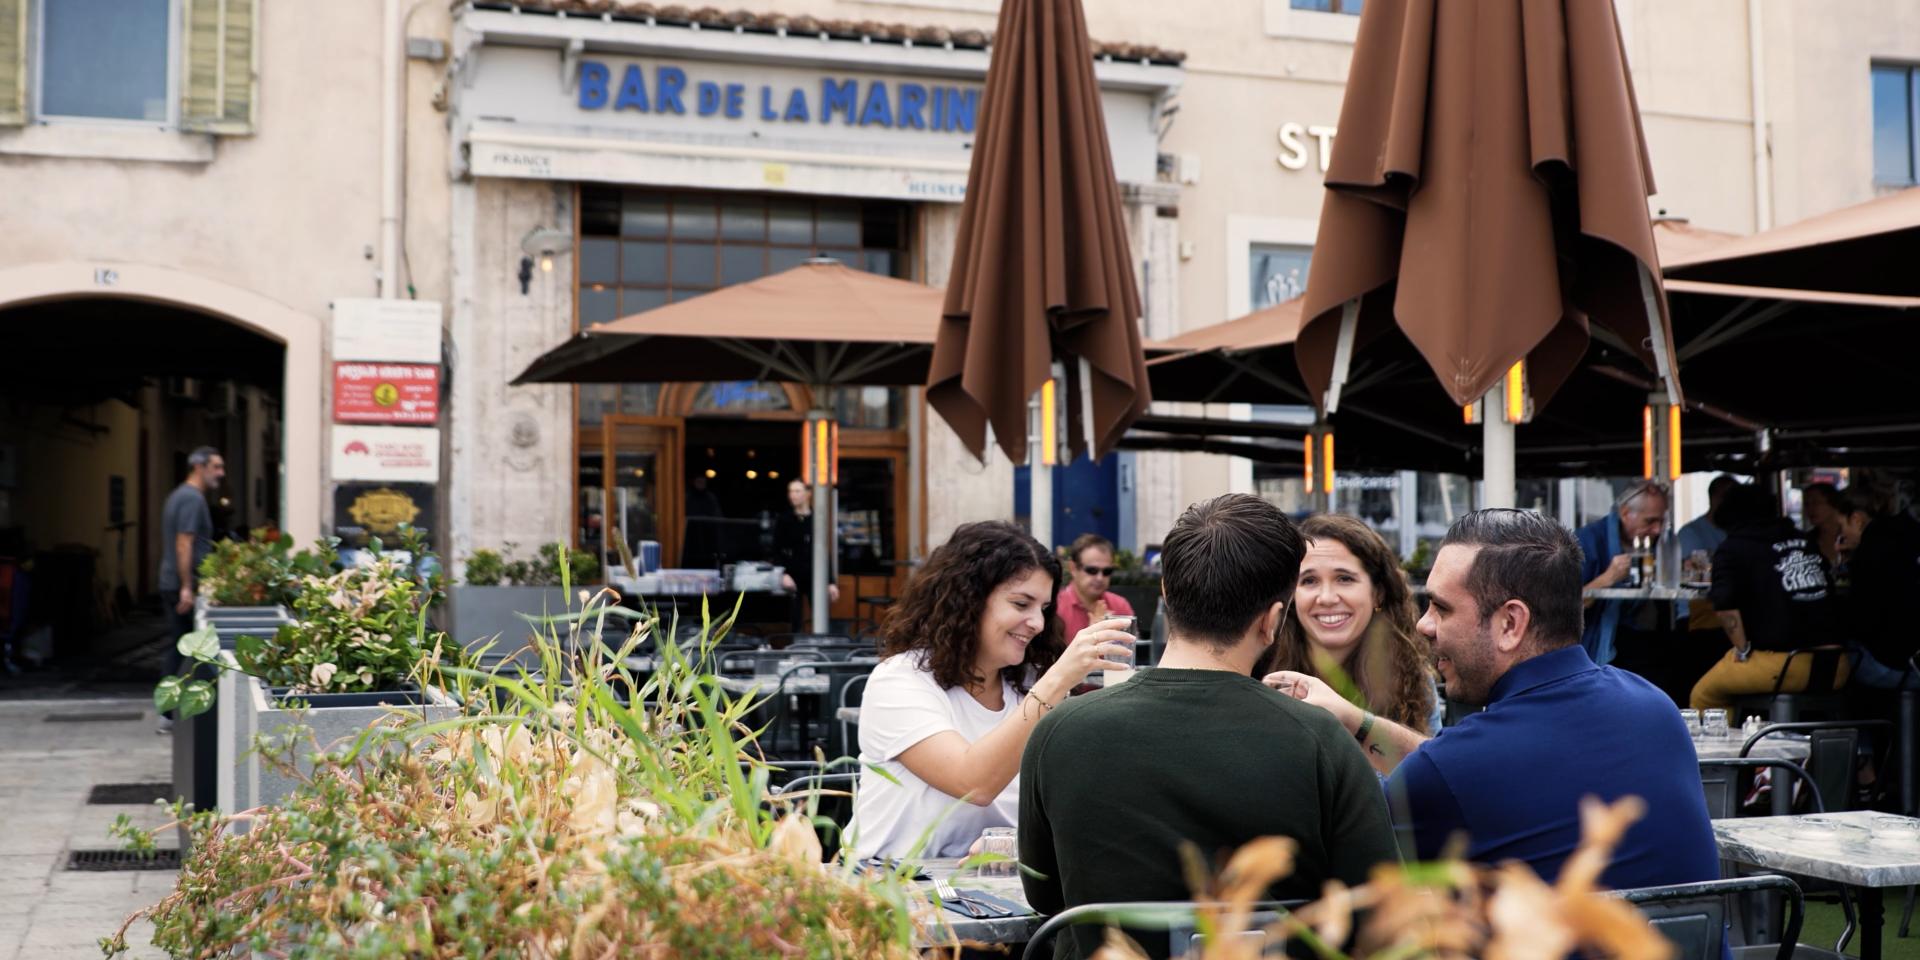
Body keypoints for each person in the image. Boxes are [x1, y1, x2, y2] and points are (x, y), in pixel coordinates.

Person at [1020, 495, 1398, 959]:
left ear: (1166, 591)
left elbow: (1043, 897)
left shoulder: (1060, 733)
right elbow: (1380, 914)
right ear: (1274, 620)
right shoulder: (1321, 740)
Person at [1270, 509, 1720, 891]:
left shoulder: (1456, 769)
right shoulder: (1656, 707)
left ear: (1510, 624)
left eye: (1441, 608)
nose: (1424, 625)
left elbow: (1340, 874)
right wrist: (1357, 720)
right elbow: (1460, 770)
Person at [850, 521, 1133, 861]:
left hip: (1000, 891)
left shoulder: (1026, 684)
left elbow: (1070, 802)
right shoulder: (900, 681)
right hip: (894, 890)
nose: (1038, 623)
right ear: (968, 599)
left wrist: (1016, 843)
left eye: (1043, 609)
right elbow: (974, 783)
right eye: (1020, 604)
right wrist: (1058, 679)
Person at [1269, 513, 1439, 760]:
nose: (1326, 597)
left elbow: (1432, 775)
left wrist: (1358, 723)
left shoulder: (1416, 682)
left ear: (1378, 594)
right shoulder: (1261, 670)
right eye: (1309, 581)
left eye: (1344, 579)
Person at [1690, 484, 1850, 710]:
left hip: (1787, 664)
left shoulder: (1734, 548)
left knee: (1704, 695)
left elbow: (1726, 608)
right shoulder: (1806, 541)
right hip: (1838, 665)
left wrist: (1743, 650)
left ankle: (1738, 745)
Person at [156, 446, 224, 731]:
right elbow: (184, 542)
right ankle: (169, 713)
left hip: (174, 580)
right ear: (199, 467)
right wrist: (187, 586)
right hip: (181, 584)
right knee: (184, 648)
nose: (221, 473)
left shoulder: (180, 496)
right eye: (216, 467)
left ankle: (171, 712)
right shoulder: (191, 499)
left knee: (181, 646)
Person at [1833, 486, 1920, 690]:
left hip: (1892, 664)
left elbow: (1863, 617)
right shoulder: (1911, 532)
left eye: (1841, 527)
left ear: (1856, 519)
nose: (1841, 536)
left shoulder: (1872, 550)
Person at [1574, 480, 1669, 666]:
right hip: (1594, 649)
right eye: (1650, 521)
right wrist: (1608, 578)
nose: (1657, 529)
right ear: (1625, 514)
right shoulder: (1586, 542)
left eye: (1661, 521)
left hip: (1645, 642)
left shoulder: (1658, 543)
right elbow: (1564, 606)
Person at [771, 479, 838, 629]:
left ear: (808, 494)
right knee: (794, 616)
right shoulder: (784, 519)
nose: (792, 495)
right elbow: (776, 550)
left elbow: (823, 552)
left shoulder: (817, 518)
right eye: (790, 491)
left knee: (820, 613)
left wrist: (831, 581)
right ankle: (795, 647)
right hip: (792, 575)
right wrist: (783, 573)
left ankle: (820, 646)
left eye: (797, 491)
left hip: (815, 574)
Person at [1054, 533, 1134, 641]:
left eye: (1107, 571)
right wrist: (1093, 635)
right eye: (1092, 570)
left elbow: (1130, 651)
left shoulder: (1120, 605)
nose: (1100, 578)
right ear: (1073, 568)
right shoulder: (1055, 607)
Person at [1800, 482, 1844, 568]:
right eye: (1806, 504)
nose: (1810, 509)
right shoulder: (1807, 541)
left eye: (1816, 503)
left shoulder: (1851, 536)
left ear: (1833, 504)